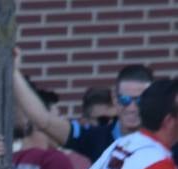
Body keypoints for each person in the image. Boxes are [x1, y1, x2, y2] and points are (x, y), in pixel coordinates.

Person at [15, 59, 154, 163]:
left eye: (140, 100)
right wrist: (13, 71)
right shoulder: (96, 138)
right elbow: (43, 121)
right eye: (125, 99)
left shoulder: (166, 140)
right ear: (114, 98)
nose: (132, 108)